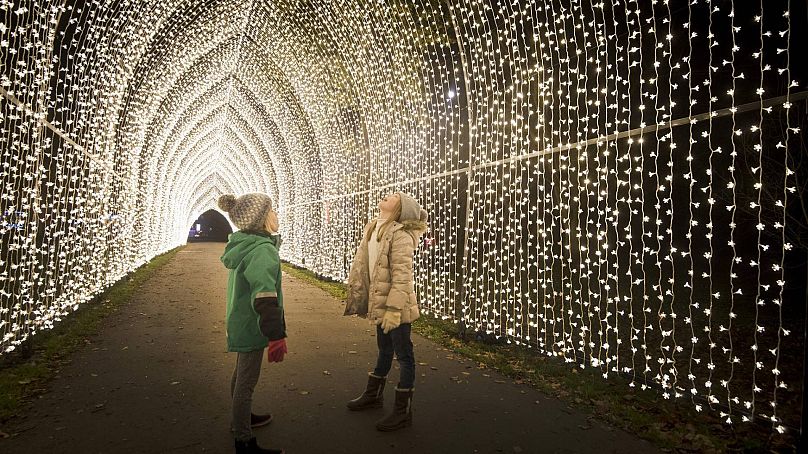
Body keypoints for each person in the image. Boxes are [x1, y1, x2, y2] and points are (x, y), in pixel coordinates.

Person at [344, 192, 428, 431]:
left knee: (404, 356)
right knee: (384, 349)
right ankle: (374, 396)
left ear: (400, 208)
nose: (386, 196)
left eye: (393, 196)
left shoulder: (400, 235)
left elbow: (403, 275)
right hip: (381, 304)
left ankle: (403, 412)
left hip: (396, 307)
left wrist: (393, 309)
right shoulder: (374, 227)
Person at [218, 193, 287, 454]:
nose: (276, 214)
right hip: (253, 324)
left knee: (241, 376)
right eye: (272, 210)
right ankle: (243, 440)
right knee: (246, 381)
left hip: (243, 322)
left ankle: (241, 419)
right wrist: (275, 335)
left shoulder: (245, 245)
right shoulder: (262, 251)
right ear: (262, 219)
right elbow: (265, 297)